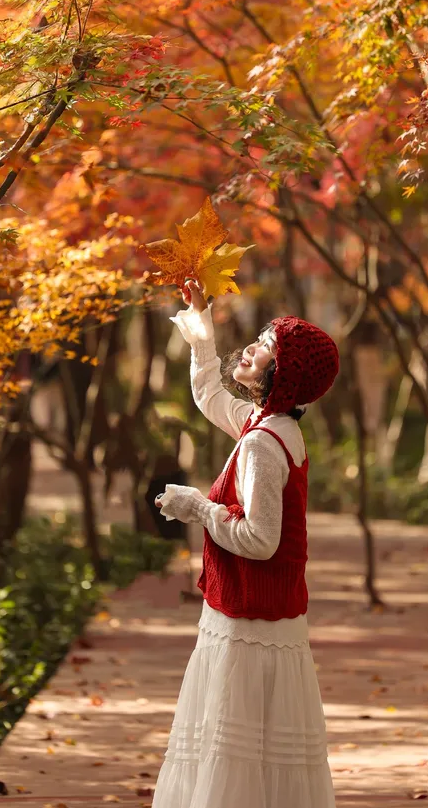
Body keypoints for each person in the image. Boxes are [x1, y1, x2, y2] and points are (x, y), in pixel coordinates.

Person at [152, 278, 339, 808]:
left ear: (283, 376)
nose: (253, 349)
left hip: (249, 620)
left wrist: (198, 508)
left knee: (235, 754)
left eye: (265, 349)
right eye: (259, 340)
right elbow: (210, 395)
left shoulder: (262, 443)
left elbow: (259, 540)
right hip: (261, 617)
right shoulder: (272, 425)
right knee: (254, 757)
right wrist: (201, 326)